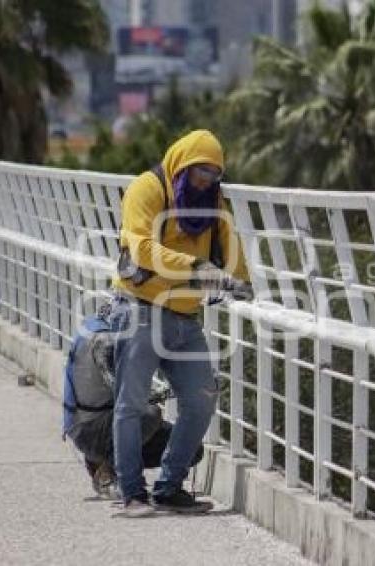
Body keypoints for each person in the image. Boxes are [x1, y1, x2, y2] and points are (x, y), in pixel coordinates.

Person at [108, 129, 251, 517]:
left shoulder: (211, 199)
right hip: (140, 309)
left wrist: (241, 280)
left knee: (201, 399)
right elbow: (141, 247)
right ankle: (131, 493)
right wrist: (197, 267)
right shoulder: (147, 188)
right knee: (131, 404)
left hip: (186, 316)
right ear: (181, 166)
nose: (205, 181)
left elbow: (228, 238)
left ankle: (168, 488)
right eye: (199, 172)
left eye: (213, 175)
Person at [64, 323, 204, 500]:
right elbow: (125, 395)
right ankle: (111, 468)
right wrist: (183, 388)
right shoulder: (104, 340)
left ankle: (113, 465)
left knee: (190, 448)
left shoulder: (107, 330)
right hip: (92, 431)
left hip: (103, 422)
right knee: (150, 414)